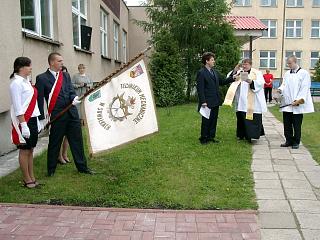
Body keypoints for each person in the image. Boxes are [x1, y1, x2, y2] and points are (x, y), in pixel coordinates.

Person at [35, 52, 94, 176]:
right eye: (59, 61)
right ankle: (51, 170)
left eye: (62, 61)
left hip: (72, 114)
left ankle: (82, 167)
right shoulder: (42, 78)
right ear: (51, 62)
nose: (62, 63)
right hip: (57, 116)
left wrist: (74, 98)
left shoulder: (65, 76)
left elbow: (71, 90)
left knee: (77, 142)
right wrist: (40, 119)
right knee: (54, 143)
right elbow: (39, 99)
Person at [9, 57, 41, 188]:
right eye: (29, 66)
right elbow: (18, 106)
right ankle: (27, 179)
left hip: (32, 119)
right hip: (24, 120)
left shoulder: (26, 81)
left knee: (31, 149)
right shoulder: (16, 83)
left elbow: (32, 103)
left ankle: (32, 176)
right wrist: (23, 125)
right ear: (21, 67)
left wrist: (38, 120)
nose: (31, 68)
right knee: (24, 150)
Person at [196, 52, 235, 145]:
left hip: (216, 100)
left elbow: (222, 81)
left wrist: (233, 77)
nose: (214, 61)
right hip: (207, 101)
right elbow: (200, 89)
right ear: (207, 61)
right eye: (212, 60)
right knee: (206, 120)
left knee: (214, 120)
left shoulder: (214, 71)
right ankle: (203, 138)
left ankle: (211, 137)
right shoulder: (201, 73)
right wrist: (203, 101)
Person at [224, 58, 267, 142]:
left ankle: (251, 136)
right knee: (241, 117)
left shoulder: (257, 73)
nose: (244, 66)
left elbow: (261, 83)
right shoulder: (239, 72)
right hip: (241, 100)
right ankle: (241, 135)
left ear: (250, 65)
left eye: (246, 64)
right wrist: (235, 71)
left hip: (253, 101)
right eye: (243, 64)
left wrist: (251, 81)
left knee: (251, 119)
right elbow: (229, 78)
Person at [278, 55, 314, 149]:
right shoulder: (287, 74)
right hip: (287, 104)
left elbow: (305, 88)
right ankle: (288, 140)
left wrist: (298, 100)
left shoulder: (304, 73)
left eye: (290, 63)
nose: (288, 65)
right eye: (288, 63)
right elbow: (284, 84)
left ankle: (296, 142)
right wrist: (279, 90)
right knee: (287, 124)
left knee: (296, 125)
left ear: (295, 62)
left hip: (297, 104)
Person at [58, 66, 70, 164]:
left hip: (68, 109)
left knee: (67, 135)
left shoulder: (67, 81)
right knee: (59, 136)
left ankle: (65, 154)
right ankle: (59, 156)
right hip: (58, 112)